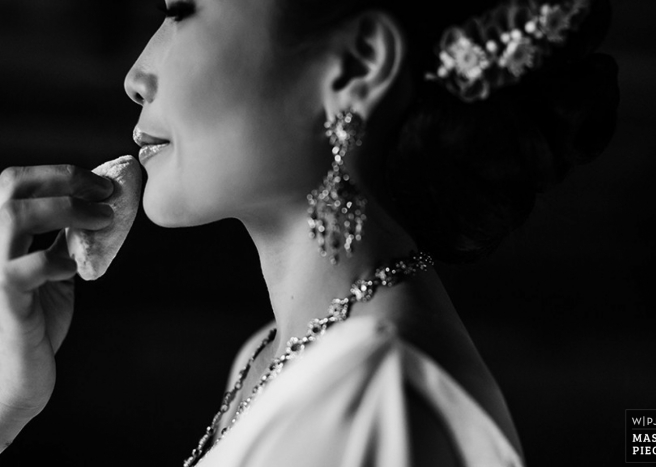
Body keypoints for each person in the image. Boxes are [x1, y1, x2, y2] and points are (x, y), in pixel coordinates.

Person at [0, 0, 618, 465]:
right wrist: (10, 402)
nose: (137, 74)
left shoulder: (377, 399)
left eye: (181, 11)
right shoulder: (272, 360)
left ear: (356, 66)